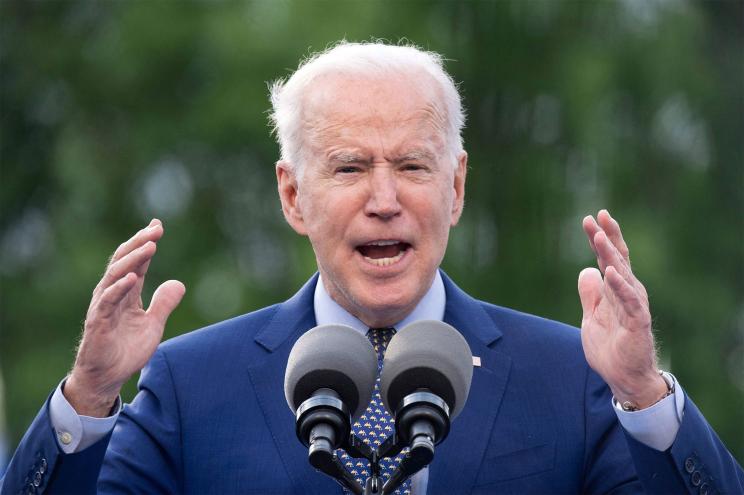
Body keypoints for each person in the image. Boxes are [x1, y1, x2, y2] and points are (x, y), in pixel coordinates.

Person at [1, 41, 742, 495]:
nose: (384, 200)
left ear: (454, 188)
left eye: (413, 165)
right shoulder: (190, 384)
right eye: (350, 166)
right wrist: (91, 394)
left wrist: (644, 394)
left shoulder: (574, 376)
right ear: (293, 194)